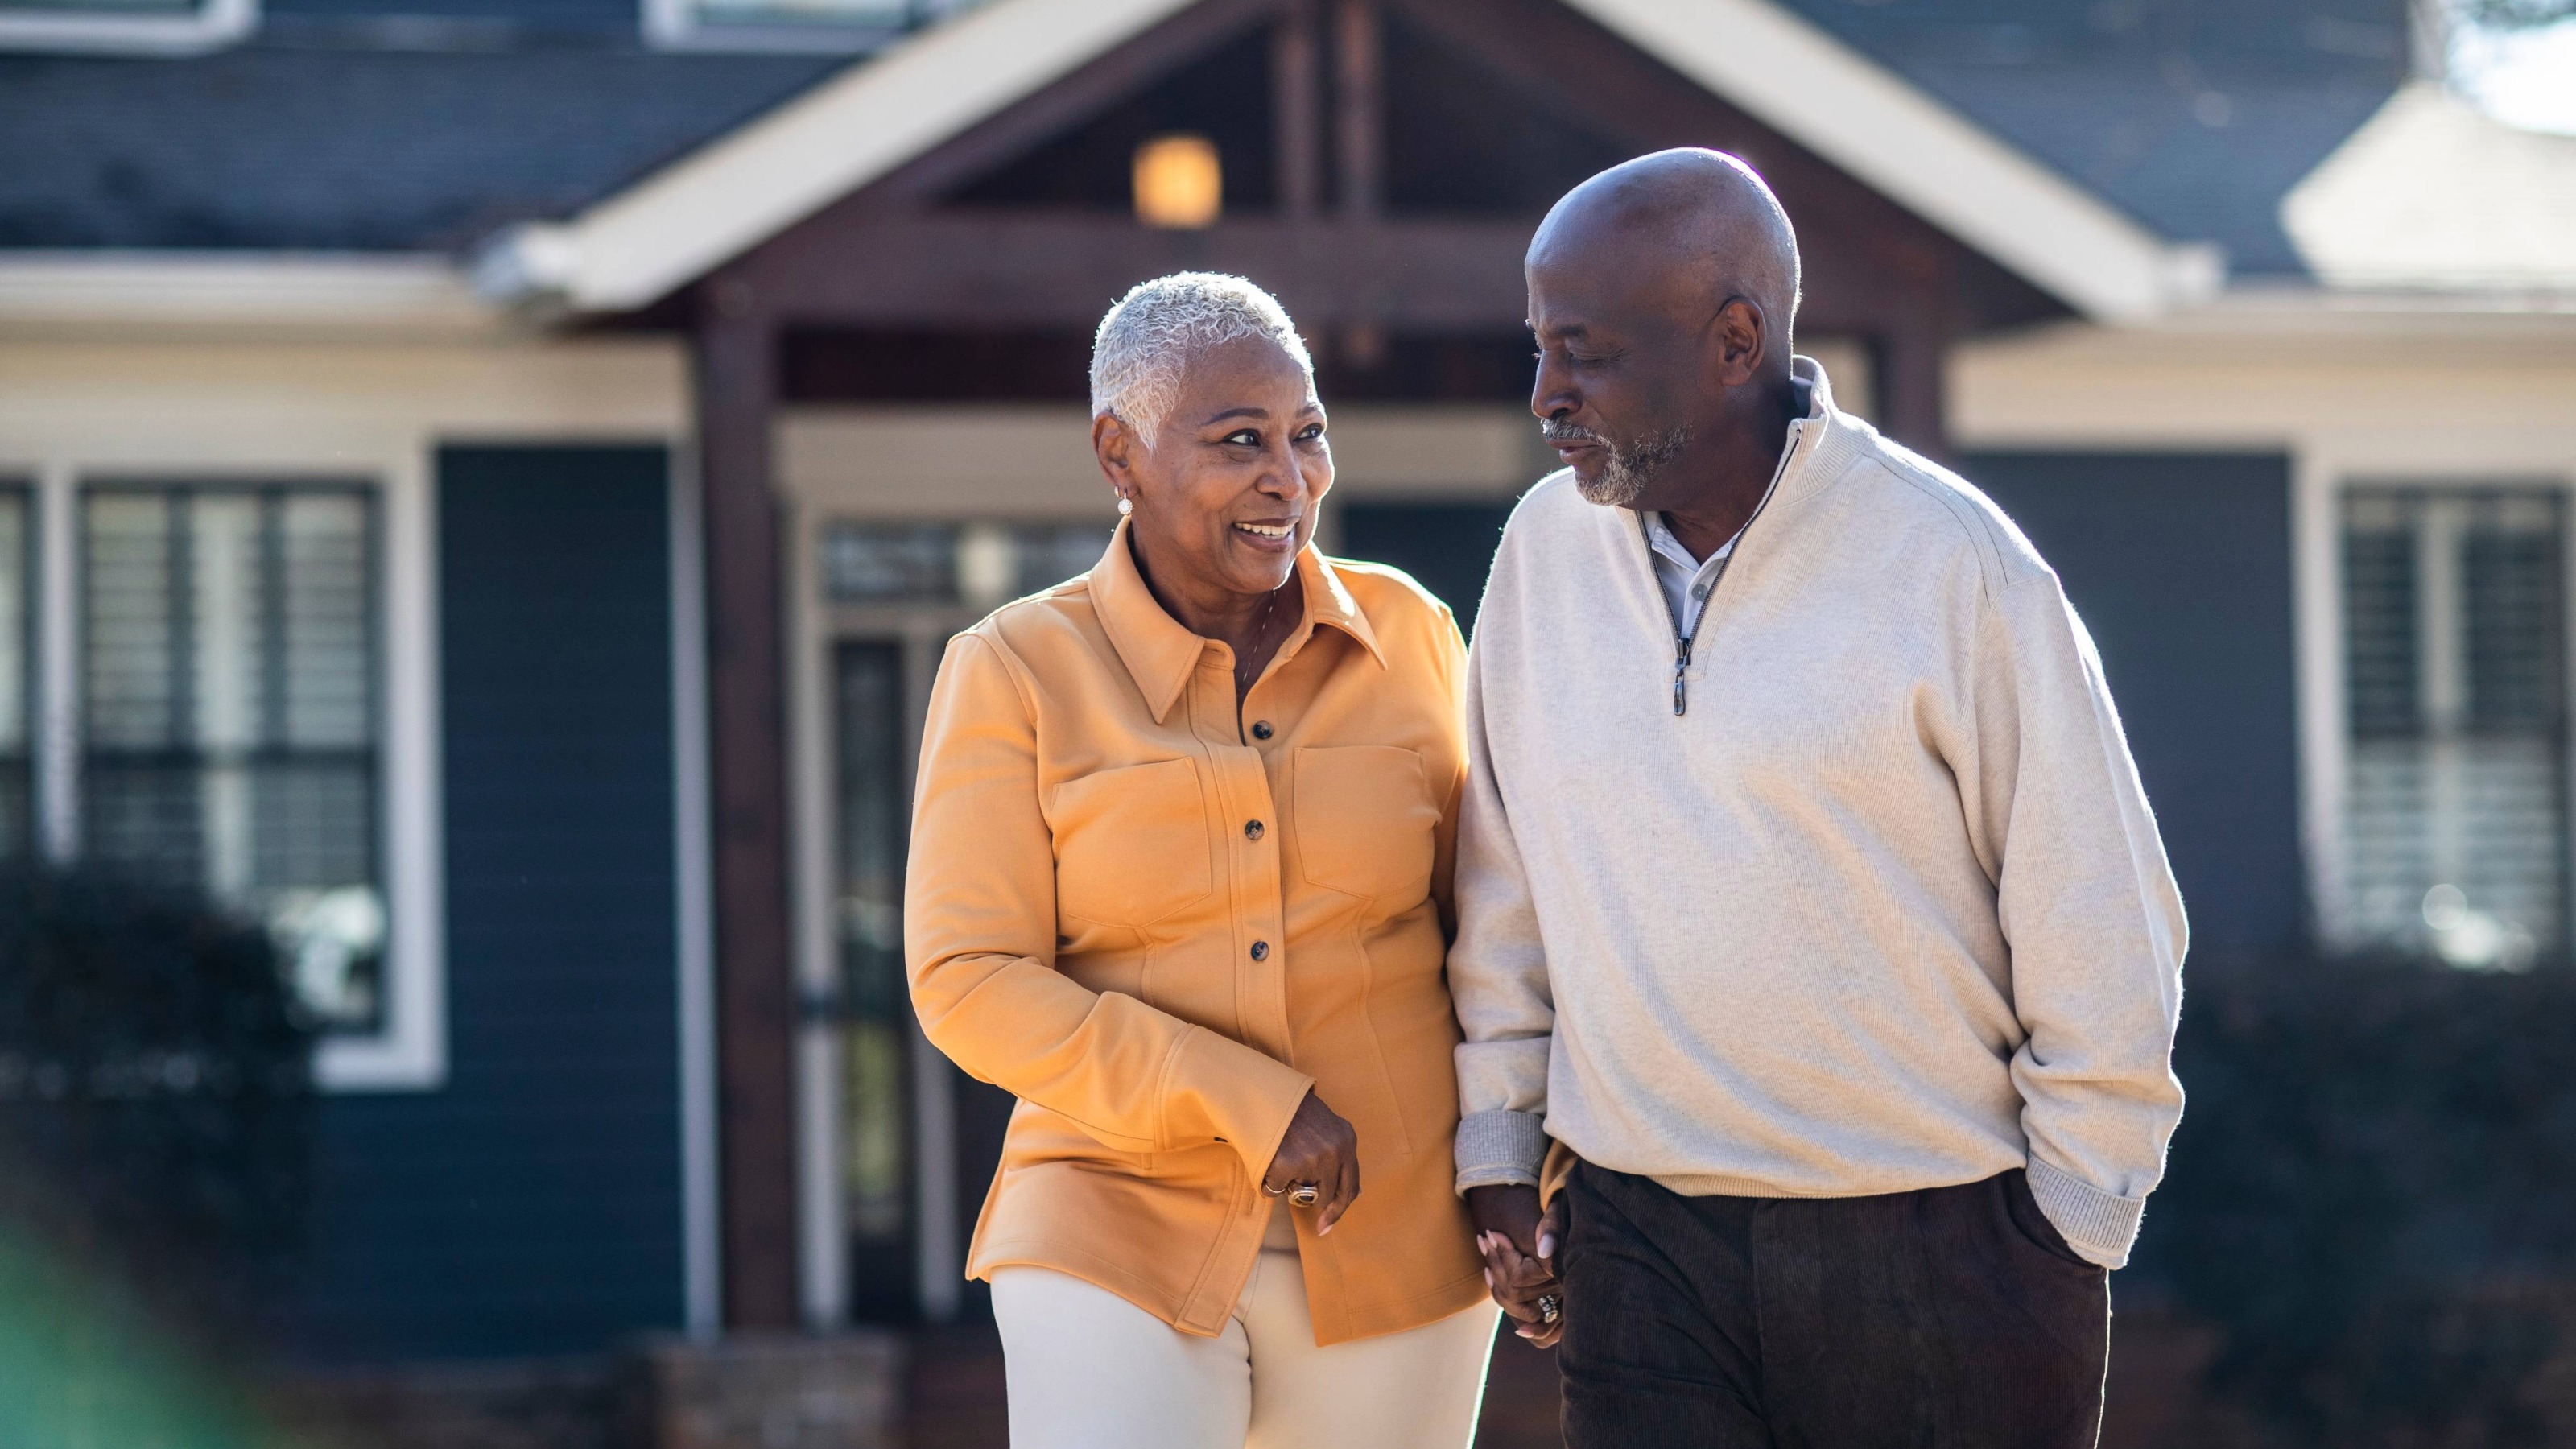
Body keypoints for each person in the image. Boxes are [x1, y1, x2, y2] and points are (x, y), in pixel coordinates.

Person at [1451, 150, 2187, 1448]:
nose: (1546, 395)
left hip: (1941, 1255)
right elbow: (1506, 885)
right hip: (1641, 1247)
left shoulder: (1956, 565)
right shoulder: (1539, 556)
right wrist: (1501, 1150)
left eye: (1587, 353)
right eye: (1539, 349)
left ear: (1735, 342)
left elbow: (2103, 918)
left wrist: (2067, 1232)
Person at [906, 272, 1500, 1449]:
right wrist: (1240, 1099)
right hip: (1110, 1220)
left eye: (1307, 433)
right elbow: (968, 976)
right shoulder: (1016, 668)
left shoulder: (1415, 638)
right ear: (1120, 455)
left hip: (1393, 1237)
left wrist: (1513, 1162)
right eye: (1240, 441)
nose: (1290, 478)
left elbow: (1493, 932)